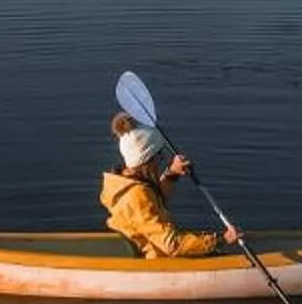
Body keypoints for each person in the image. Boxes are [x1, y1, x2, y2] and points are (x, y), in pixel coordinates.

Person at [100, 111, 242, 258]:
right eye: (159, 156)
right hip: (155, 258)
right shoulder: (137, 195)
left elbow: (155, 203)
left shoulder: (128, 182)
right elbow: (171, 245)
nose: (162, 160)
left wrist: (172, 174)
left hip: (155, 247)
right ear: (148, 161)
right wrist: (219, 241)